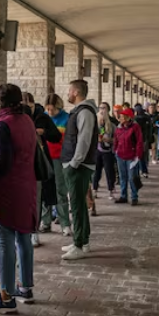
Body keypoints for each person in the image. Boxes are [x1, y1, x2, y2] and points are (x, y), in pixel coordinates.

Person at [0, 84, 37, 313]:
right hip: (26, 186)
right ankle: (25, 287)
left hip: (6, 191)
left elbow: (2, 160)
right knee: (24, 237)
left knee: (5, 242)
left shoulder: (4, 124)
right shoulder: (27, 121)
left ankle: (6, 296)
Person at [59, 80, 97, 261]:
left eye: (69, 90)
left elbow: (84, 140)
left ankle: (79, 244)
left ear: (75, 92)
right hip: (76, 165)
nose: (68, 93)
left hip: (78, 166)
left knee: (76, 205)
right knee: (79, 204)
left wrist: (74, 163)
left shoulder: (84, 112)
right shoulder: (80, 111)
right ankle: (83, 241)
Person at [22, 92, 60, 247]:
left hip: (38, 162)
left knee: (37, 199)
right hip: (21, 163)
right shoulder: (18, 117)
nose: (27, 110)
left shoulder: (42, 117)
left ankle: (34, 231)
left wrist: (43, 132)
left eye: (29, 106)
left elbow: (56, 136)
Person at [43, 94, 71, 235]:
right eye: (47, 109)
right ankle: (46, 221)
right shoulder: (43, 117)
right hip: (45, 158)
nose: (50, 112)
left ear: (58, 107)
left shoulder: (66, 118)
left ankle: (65, 223)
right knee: (45, 190)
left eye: (52, 109)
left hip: (59, 158)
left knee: (60, 190)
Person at [114, 108, 144, 205]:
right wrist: (115, 150)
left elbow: (139, 142)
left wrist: (138, 155)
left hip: (132, 156)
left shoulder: (135, 127)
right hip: (120, 155)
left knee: (132, 177)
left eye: (122, 117)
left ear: (128, 118)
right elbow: (116, 139)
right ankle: (123, 196)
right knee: (122, 177)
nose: (120, 118)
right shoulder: (119, 127)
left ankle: (134, 197)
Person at [92, 109, 116, 200]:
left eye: (103, 119)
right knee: (96, 172)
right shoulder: (95, 127)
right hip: (98, 151)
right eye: (100, 119)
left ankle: (110, 190)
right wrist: (96, 139)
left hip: (108, 152)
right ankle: (95, 189)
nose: (102, 121)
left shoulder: (112, 126)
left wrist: (110, 140)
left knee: (109, 172)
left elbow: (117, 138)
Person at [133, 104, 152, 178]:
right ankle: (144, 170)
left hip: (137, 140)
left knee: (137, 156)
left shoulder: (135, 119)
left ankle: (138, 171)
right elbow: (150, 128)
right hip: (144, 139)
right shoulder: (147, 117)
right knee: (142, 155)